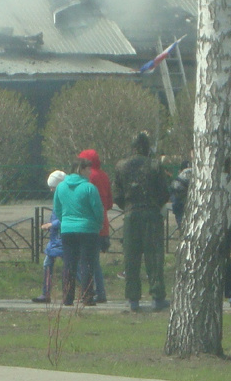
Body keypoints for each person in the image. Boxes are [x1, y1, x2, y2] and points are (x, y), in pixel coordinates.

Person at [173, 159, 231, 307]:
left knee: (197, 257)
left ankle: (198, 293)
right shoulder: (223, 171)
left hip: (198, 221)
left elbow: (176, 200)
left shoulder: (188, 174)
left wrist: (183, 222)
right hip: (221, 218)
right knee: (224, 257)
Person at [113, 131, 170, 312]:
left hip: (131, 214)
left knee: (131, 257)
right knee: (154, 258)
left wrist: (129, 207)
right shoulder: (155, 165)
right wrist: (154, 205)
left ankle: (133, 298)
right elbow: (165, 192)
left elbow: (117, 195)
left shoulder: (121, 166)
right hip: (152, 215)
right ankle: (157, 297)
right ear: (147, 147)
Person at [53, 159, 104, 306]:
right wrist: (97, 224)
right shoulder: (89, 188)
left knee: (69, 263)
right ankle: (87, 296)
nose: (90, 172)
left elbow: (58, 208)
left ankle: (67, 297)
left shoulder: (61, 187)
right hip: (88, 229)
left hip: (68, 229)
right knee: (87, 263)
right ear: (80, 170)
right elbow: (97, 209)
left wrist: (65, 222)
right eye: (88, 169)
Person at [77, 149, 112, 303]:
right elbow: (110, 202)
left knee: (89, 260)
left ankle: (97, 291)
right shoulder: (104, 175)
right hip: (103, 222)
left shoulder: (89, 177)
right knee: (94, 260)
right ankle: (100, 291)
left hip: (91, 223)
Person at [33, 170, 66, 303]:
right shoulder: (60, 197)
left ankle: (86, 290)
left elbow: (64, 217)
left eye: (53, 187)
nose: (51, 189)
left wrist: (51, 225)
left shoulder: (63, 198)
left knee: (70, 265)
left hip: (61, 237)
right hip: (56, 239)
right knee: (51, 263)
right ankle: (46, 293)